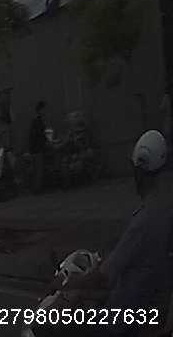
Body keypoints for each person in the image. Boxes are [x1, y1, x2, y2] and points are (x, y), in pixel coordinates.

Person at [70, 130, 173, 336]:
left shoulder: (143, 222)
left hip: (122, 318)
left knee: (69, 326)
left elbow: (104, 276)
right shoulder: (165, 213)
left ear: (136, 171)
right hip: (148, 309)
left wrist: (72, 285)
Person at [29, 101, 48, 193]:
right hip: (37, 148)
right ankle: (37, 189)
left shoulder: (36, 121)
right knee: (38, 169)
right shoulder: (38, 121)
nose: (45, 111)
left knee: (36, 169)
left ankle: (36, 188)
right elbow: (40, 135)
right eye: (44, 109)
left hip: (35, 148)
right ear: (40, 110)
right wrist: (46, 140)